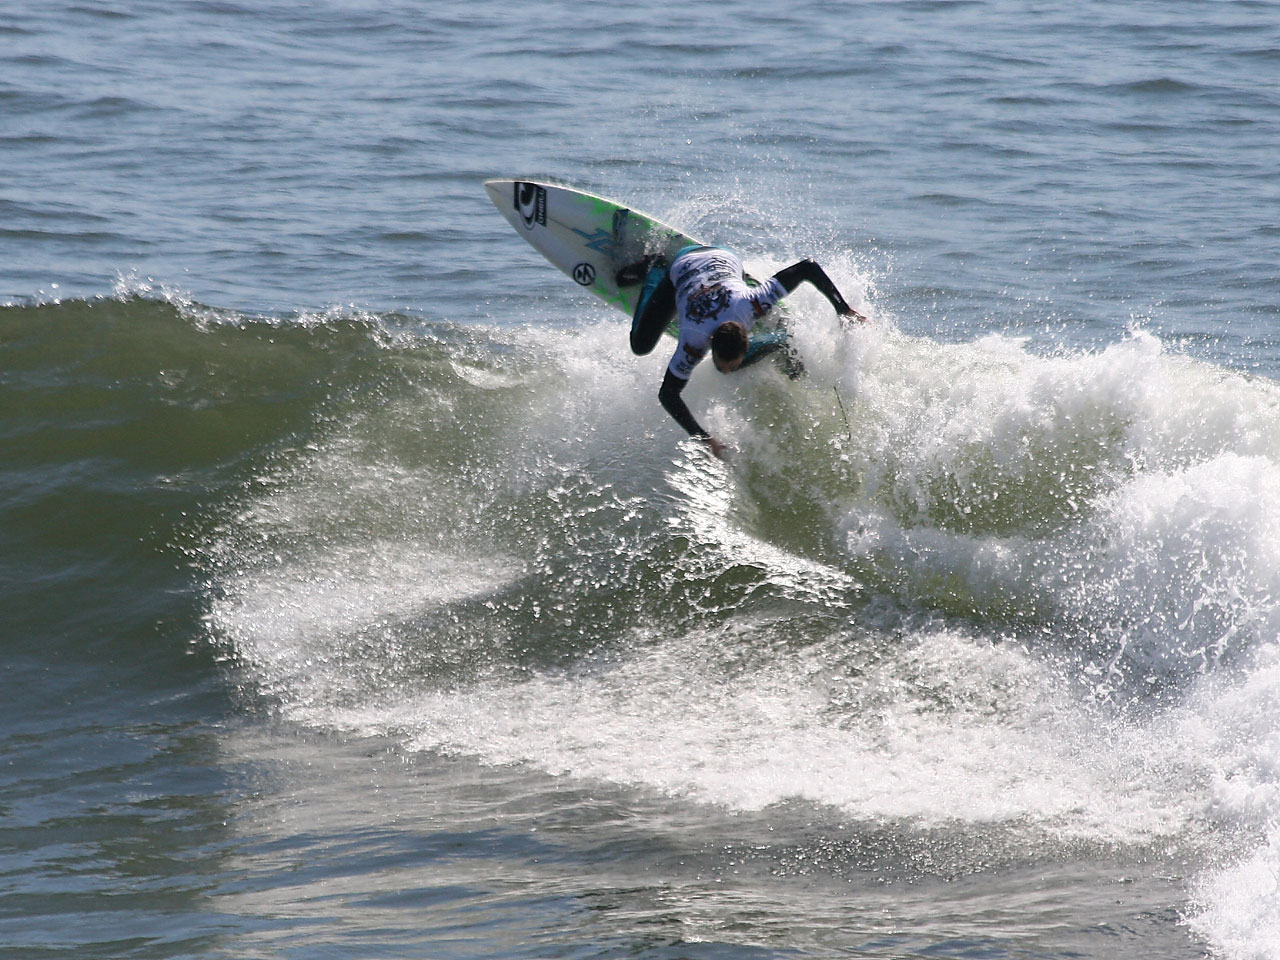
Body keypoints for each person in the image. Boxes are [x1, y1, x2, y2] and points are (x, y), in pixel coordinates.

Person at [618, 245, 864, 459]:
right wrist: (704, 438)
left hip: (724, 259)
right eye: (724, 364)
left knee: (769, 327)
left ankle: (781, 337)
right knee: (640, 345)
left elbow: (808, 267)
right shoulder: (693, 338)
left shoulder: (755, 303)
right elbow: (667, 394)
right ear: (710, 343)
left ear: (747, 340)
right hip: (683, 266)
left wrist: (843, 310)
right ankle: (656, 266)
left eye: (731, 366)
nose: (726, 372)